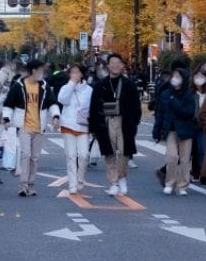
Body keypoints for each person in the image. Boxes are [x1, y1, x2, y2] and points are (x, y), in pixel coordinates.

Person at [87, 52, 143, 197]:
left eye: (118, 63)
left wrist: (134, 122)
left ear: (122, 66)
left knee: (124, 152)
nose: (115, 65)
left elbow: (136, 106)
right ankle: (113, 182)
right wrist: (94, 126)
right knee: (109, 152)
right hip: (106, 122)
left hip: (124, 121)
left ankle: (122, 177)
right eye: (112, 63)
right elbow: (94, 107)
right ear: (108, 66)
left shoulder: (129, 85)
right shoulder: (100, 85)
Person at [3, 58, 50, 196]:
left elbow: (51, 102)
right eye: (41, 70)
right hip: (23, 126)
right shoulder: (19, 86)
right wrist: (6, 118)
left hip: (39, 126)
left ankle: (31, 184)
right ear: (34, 71)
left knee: (35, 158)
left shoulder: (44, 86)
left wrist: (55, 116)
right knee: (25, 154)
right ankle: (23, 185)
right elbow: (8, 103)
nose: (43, 73)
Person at [153, 65, 198, 196]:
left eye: (178, 76)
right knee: (172, 157)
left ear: (184, 79)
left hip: (186, 130)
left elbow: (189, 113)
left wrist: (175, 102)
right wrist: (157, 130)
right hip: (171, 130)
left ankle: (182, 185)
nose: (175, 79)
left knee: (184, 159)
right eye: (174, 76)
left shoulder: (189, 95)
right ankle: (169, 182)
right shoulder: (166, 94)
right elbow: (160, 113)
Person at [55, 62, 92, 198]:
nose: (75, 74)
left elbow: (91, 108)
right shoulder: (66, 87)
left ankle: (80, 179)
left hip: (83, 126)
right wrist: (71, 84)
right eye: (72, 72)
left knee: (84, 155)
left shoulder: (89, 90)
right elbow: (62, 100)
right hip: (68, 125)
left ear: (82, 74)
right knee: (71, 156)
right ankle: (72, 184)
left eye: (77, 72)